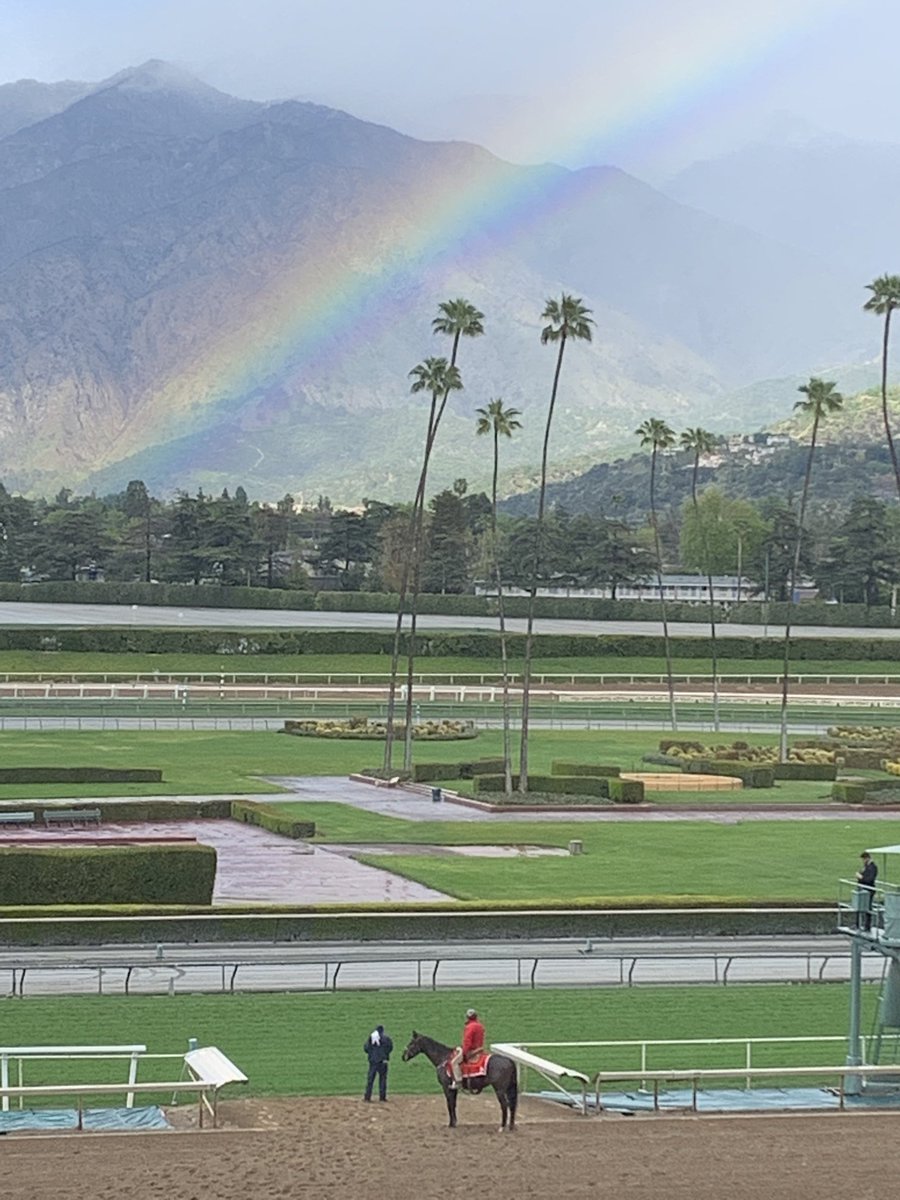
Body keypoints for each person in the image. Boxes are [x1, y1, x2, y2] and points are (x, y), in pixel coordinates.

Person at [449, 1008, 486, 1090]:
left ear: (467, 1017)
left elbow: (467, 1042)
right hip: (479, 1049)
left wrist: (464, 1052)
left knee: (454, 1062)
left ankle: (458, 1081)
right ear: (476, 1016)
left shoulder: (469, 1027)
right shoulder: (480, 1026)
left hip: (472, 1050)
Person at [363, 1024, 393, 1101]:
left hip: (373, 1062)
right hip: (383, 1061)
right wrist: (385, 1055)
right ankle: (382, 1097)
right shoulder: (387, 1039)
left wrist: (371, 1054)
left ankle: (367, 1097)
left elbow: (366, 1048)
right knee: (383, 1079)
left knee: (370, 1079)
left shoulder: (371, 1039)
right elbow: (390, 1048)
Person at [856, 851, 878, 932]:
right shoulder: (866, 866)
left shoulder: (873, 867)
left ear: (867, 858)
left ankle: (867, 926)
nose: (863, 861)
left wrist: (861, 877)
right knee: (859, 906)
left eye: (863, 859)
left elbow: (870, 879)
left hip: (869, 890)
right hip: (863, 889)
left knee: (868, 908)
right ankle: (858, 924)